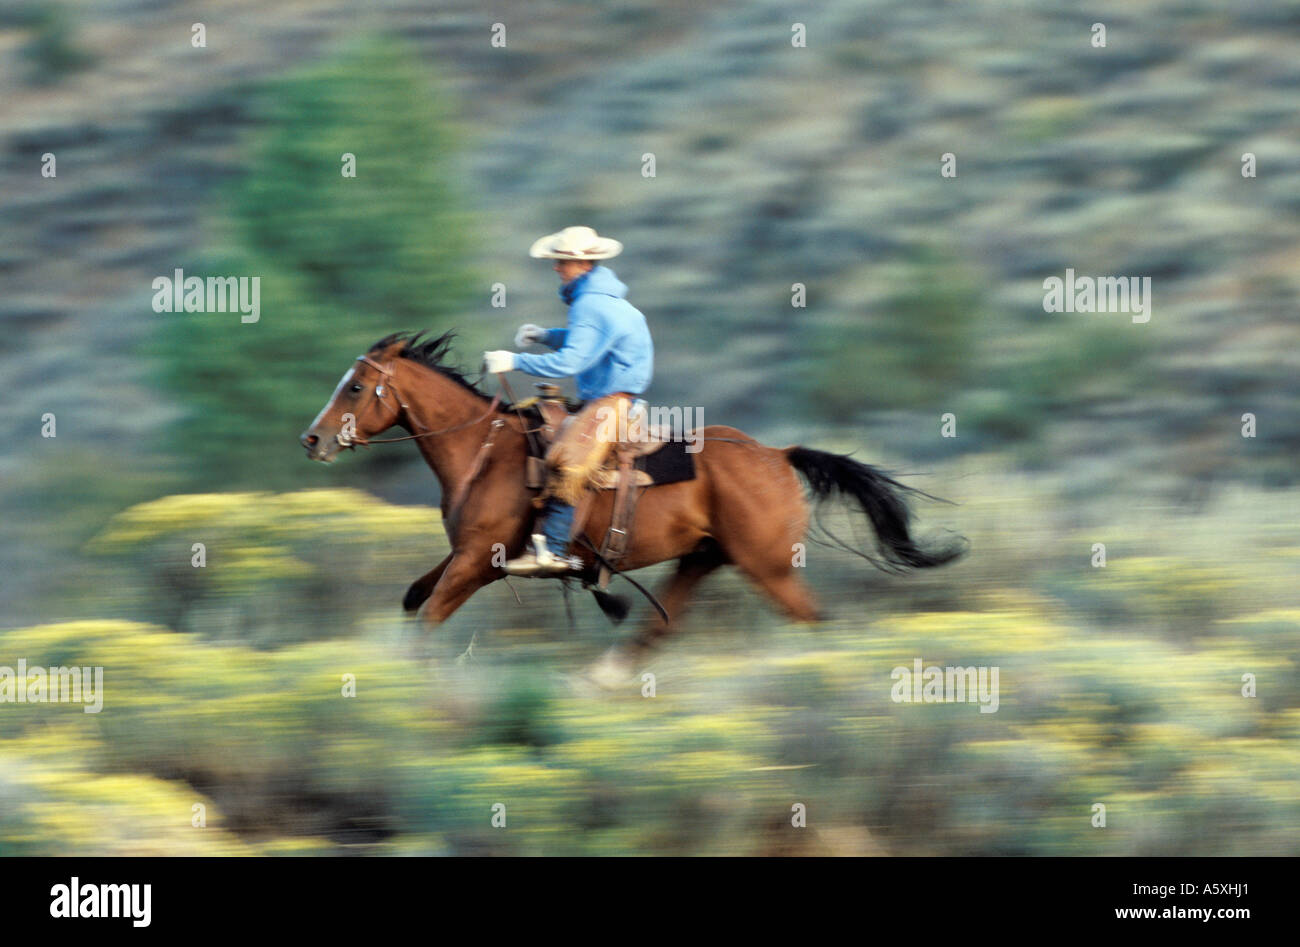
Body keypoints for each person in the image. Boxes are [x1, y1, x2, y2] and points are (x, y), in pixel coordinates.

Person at [483, 226, 654, 575]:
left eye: (561, 261)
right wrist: (546, 336)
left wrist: (514, 360)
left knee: (566, 461)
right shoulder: (601, 299)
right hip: (609, 397)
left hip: (612, 403)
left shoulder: (590, 304)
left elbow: (571, 362)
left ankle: (555, 549)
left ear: (582, 264)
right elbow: (586, 342)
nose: (556, 268)